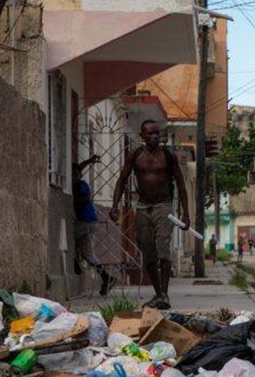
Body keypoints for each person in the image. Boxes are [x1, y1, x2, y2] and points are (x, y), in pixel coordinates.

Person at [109, 120, 190, 310]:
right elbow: (122, 180)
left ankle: (165, 295)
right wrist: (114, 206)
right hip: (143, 207)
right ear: (142, 136)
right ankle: (159, 293)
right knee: (148, 251)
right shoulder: (135, 155)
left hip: (163, 205)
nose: (154, 137)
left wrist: (186, 214)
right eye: (150, 134)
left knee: (163, 246)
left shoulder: (169, 156)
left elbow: (181, 185)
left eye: (157, 134)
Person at [71, 155, 116, 296]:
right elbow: (77, 168)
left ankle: (76, 263)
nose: (73, 177)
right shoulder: (76, 182)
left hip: (87, 222)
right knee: (88, 254)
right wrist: (88, 162)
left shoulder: (81, 185)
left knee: (67, 235)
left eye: (75, 175)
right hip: (88, 223)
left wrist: (72, 201)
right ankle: (107, 277)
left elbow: (85, 197)